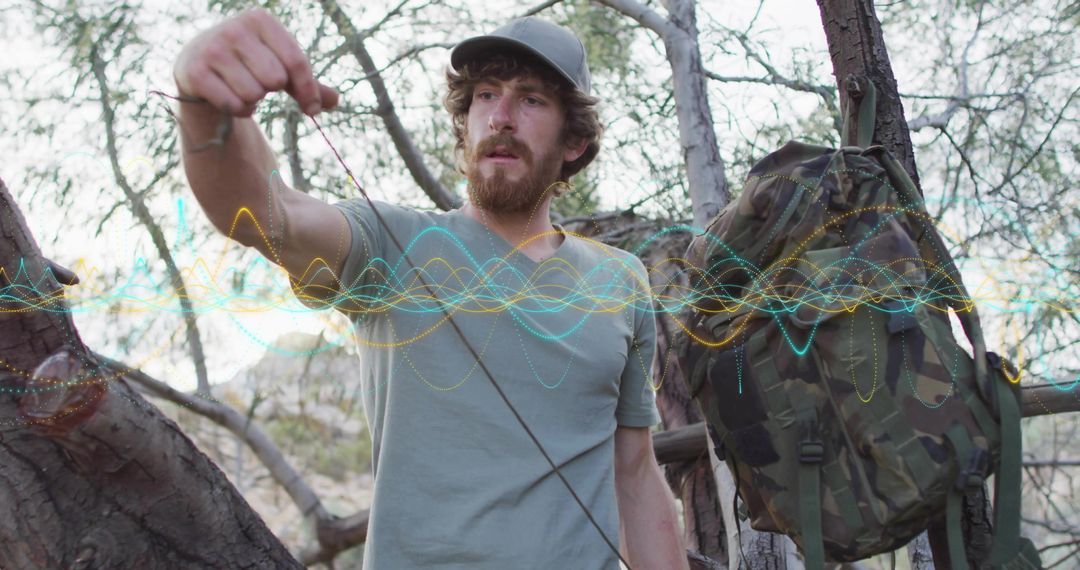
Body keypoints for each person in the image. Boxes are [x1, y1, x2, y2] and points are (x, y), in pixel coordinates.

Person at [174, 9, 687, 569]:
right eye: (486, 96)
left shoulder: (620, 281)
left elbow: (633, 470)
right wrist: (202, 103)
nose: (502, 117)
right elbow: (266, 214)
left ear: (574, 141)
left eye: (532, 99)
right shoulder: (391, 244)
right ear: (464, 125)